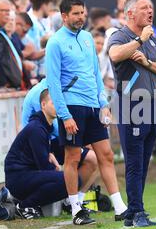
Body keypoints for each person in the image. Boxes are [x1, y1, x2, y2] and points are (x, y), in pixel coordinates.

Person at [46, 0, 127, 225]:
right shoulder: (55, 43)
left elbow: (95, 74)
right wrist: (65, 115)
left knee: (106, 154)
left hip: (93, 106)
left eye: (83, 13)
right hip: (71, 107)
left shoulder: (88, 38)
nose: (81, 17)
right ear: (64, 16)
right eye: (76, 14)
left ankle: (120, 206)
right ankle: (75, 210)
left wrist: (103, 104)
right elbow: (53, 82)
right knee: (72, 158)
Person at [108, 0, 156, 227]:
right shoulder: (120, 35)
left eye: (151, 7)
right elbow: (115, 55)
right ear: (130, 13)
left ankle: (135, 211)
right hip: (131, 106)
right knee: (134, 162)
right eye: (144, 8)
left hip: (152, 105)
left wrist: (148, 63)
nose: (150, 11)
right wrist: (139, 41)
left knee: (144, 161)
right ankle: (136, 212)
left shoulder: (154, 39)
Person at [5, 90, 92, 218]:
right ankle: (24, 206)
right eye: (53, 102)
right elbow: (44, 165)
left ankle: (68, 202)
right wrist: (56, 170)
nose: (57, 105)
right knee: (70, 179)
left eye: (59, 102)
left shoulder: (45, 128)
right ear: (43, 105)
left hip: (28, 175)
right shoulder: (36, 128)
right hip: (18, 179)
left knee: (70, 178)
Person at [21, 80, 100, 209]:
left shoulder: (61, 88)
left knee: (94, 158)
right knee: (56, 172)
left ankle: (75, 202)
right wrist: (81, 141)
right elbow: (55, 125)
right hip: (37, 144)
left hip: (54, 140)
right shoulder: (41, 93)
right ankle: (27, 205)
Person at [0, 0, 23, 89]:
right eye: (4, 10)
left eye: (9, 10)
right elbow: (3, 62)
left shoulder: (2, 33)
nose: (8, 13)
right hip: (0, 85)